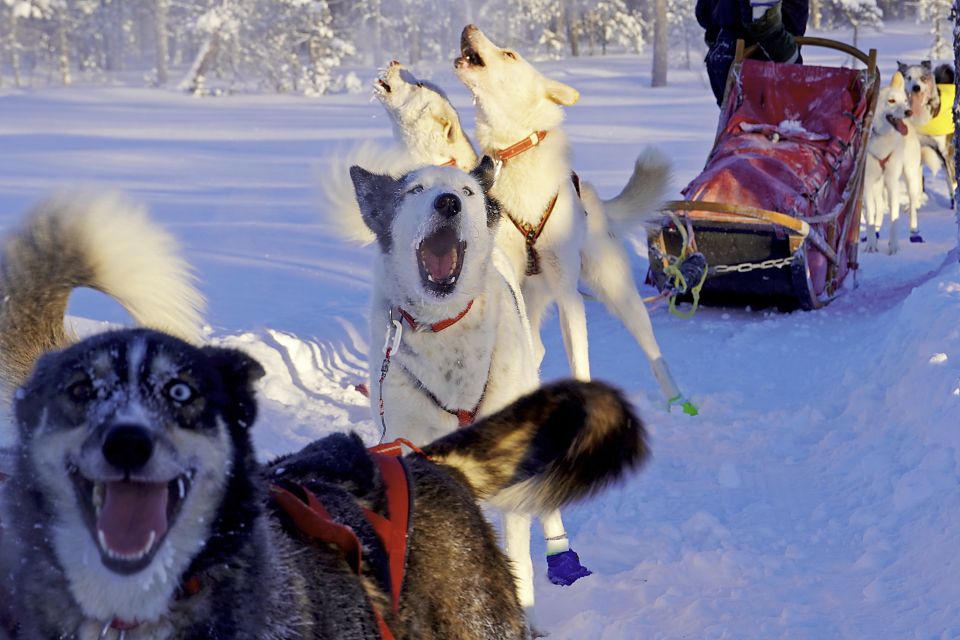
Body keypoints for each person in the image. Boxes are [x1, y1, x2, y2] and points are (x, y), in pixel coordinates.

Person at [696, 0, 810, 105]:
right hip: (762, 63)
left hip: (728, 54)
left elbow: (705, 12)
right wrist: (789, 61)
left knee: (741, 123)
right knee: (775, 122)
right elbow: (762, 19)